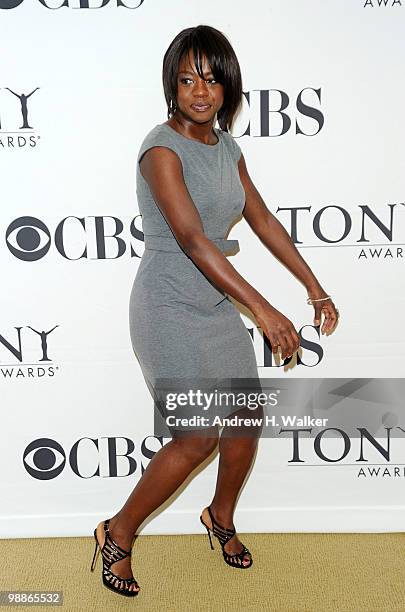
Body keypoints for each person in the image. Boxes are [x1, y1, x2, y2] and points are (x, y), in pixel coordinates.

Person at [89, 24, 339, 598]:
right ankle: (117, 534)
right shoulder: (160, 150)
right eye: (186, 79)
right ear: (170, 87)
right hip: (168, 305)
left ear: (228, 86)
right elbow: (195, 240)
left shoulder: (228, 149)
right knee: (198, 435)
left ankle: (219, 518)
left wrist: (314, 288)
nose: (199, 90)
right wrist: (264, 310)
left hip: (215, 301)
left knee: (244, 426)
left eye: (210, 78)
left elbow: (264, 220)